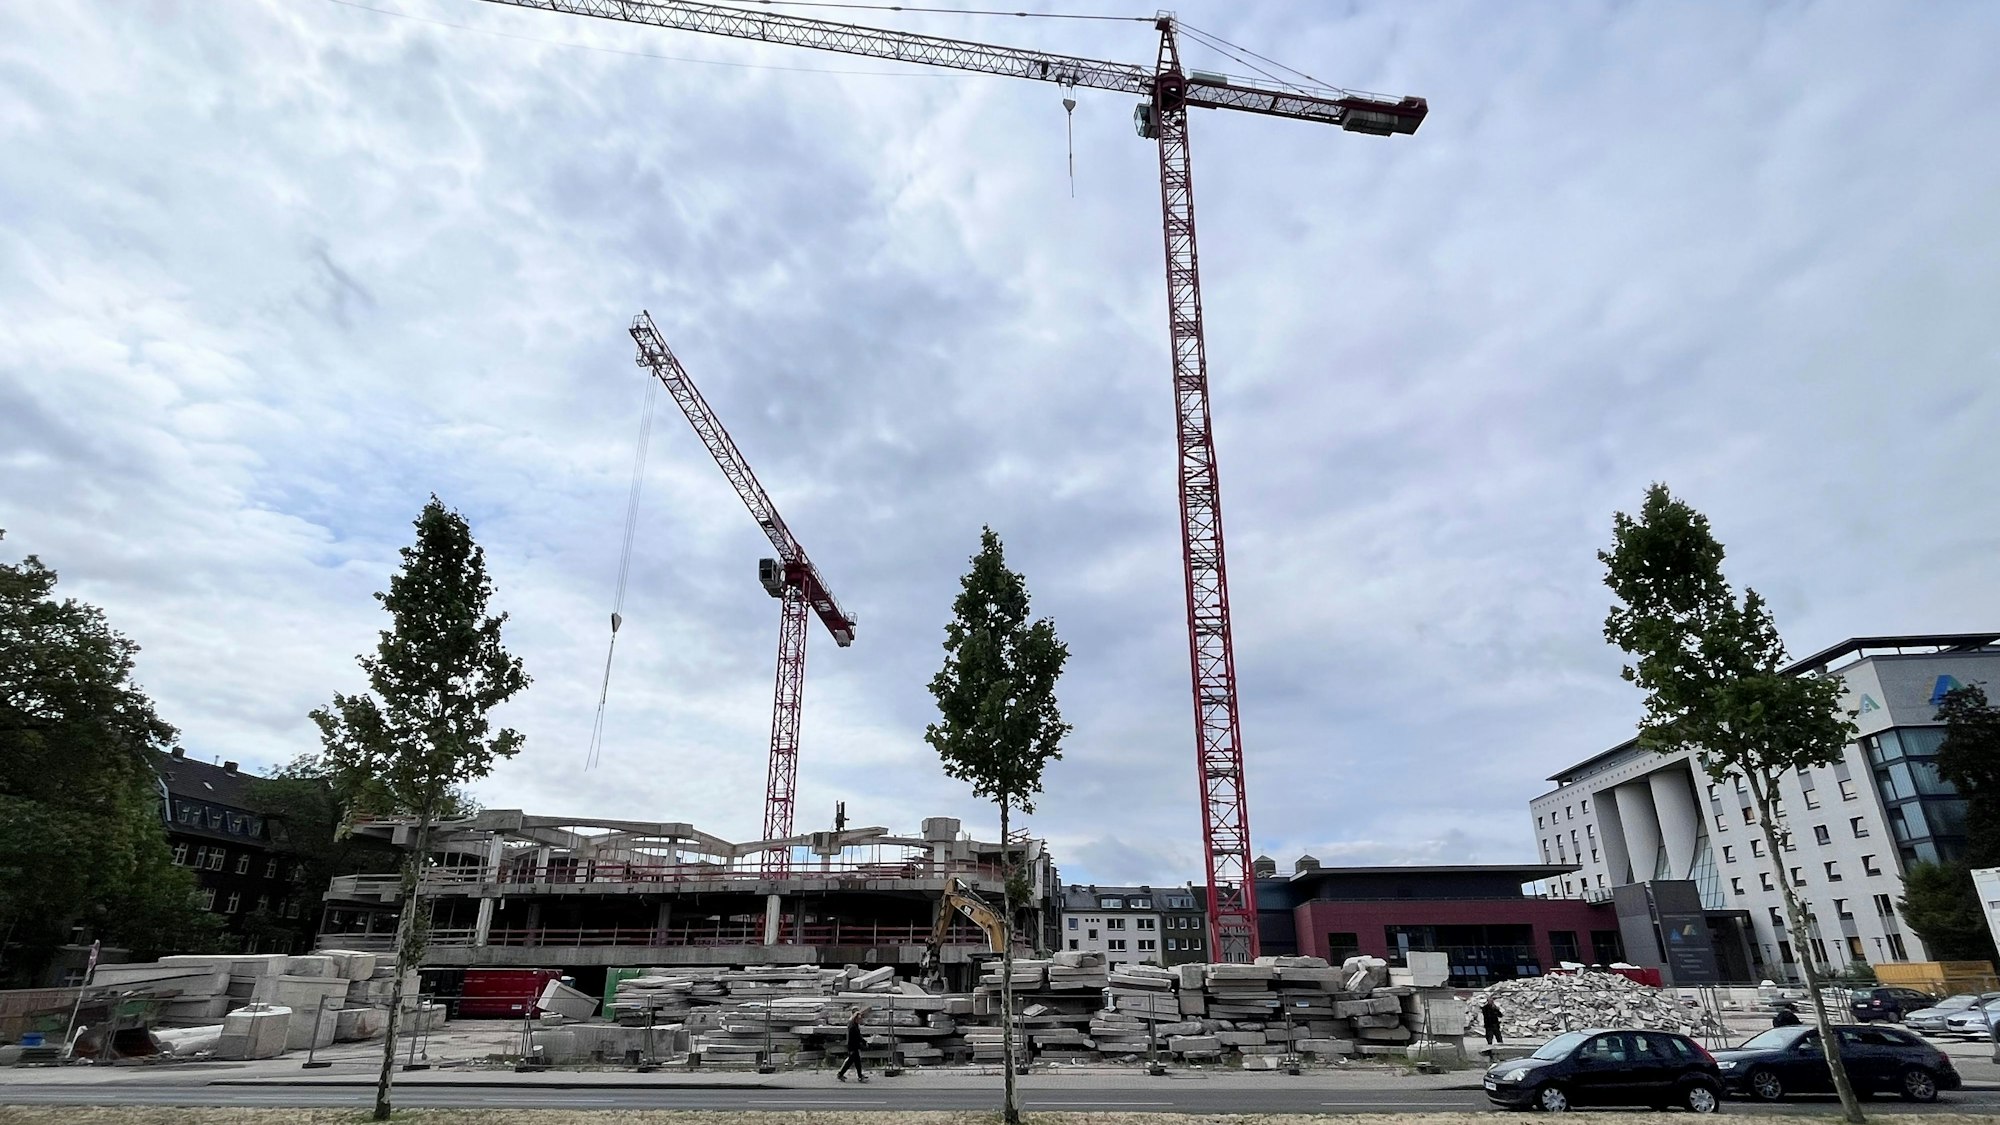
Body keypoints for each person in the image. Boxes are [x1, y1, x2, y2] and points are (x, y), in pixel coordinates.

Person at [837, 1006, 870, 1083]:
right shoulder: (852, 1026)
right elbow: (856, 1037)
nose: (860, 1020)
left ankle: (858, 1075)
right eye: (859, 1018)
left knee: (854, 1062)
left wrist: (862, 1042)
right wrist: (862, 1043)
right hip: (853, 1047)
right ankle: (857, 1076)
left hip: (853, 1046)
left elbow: (858, 1036)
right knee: (852, 1062)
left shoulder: (853, 1024)